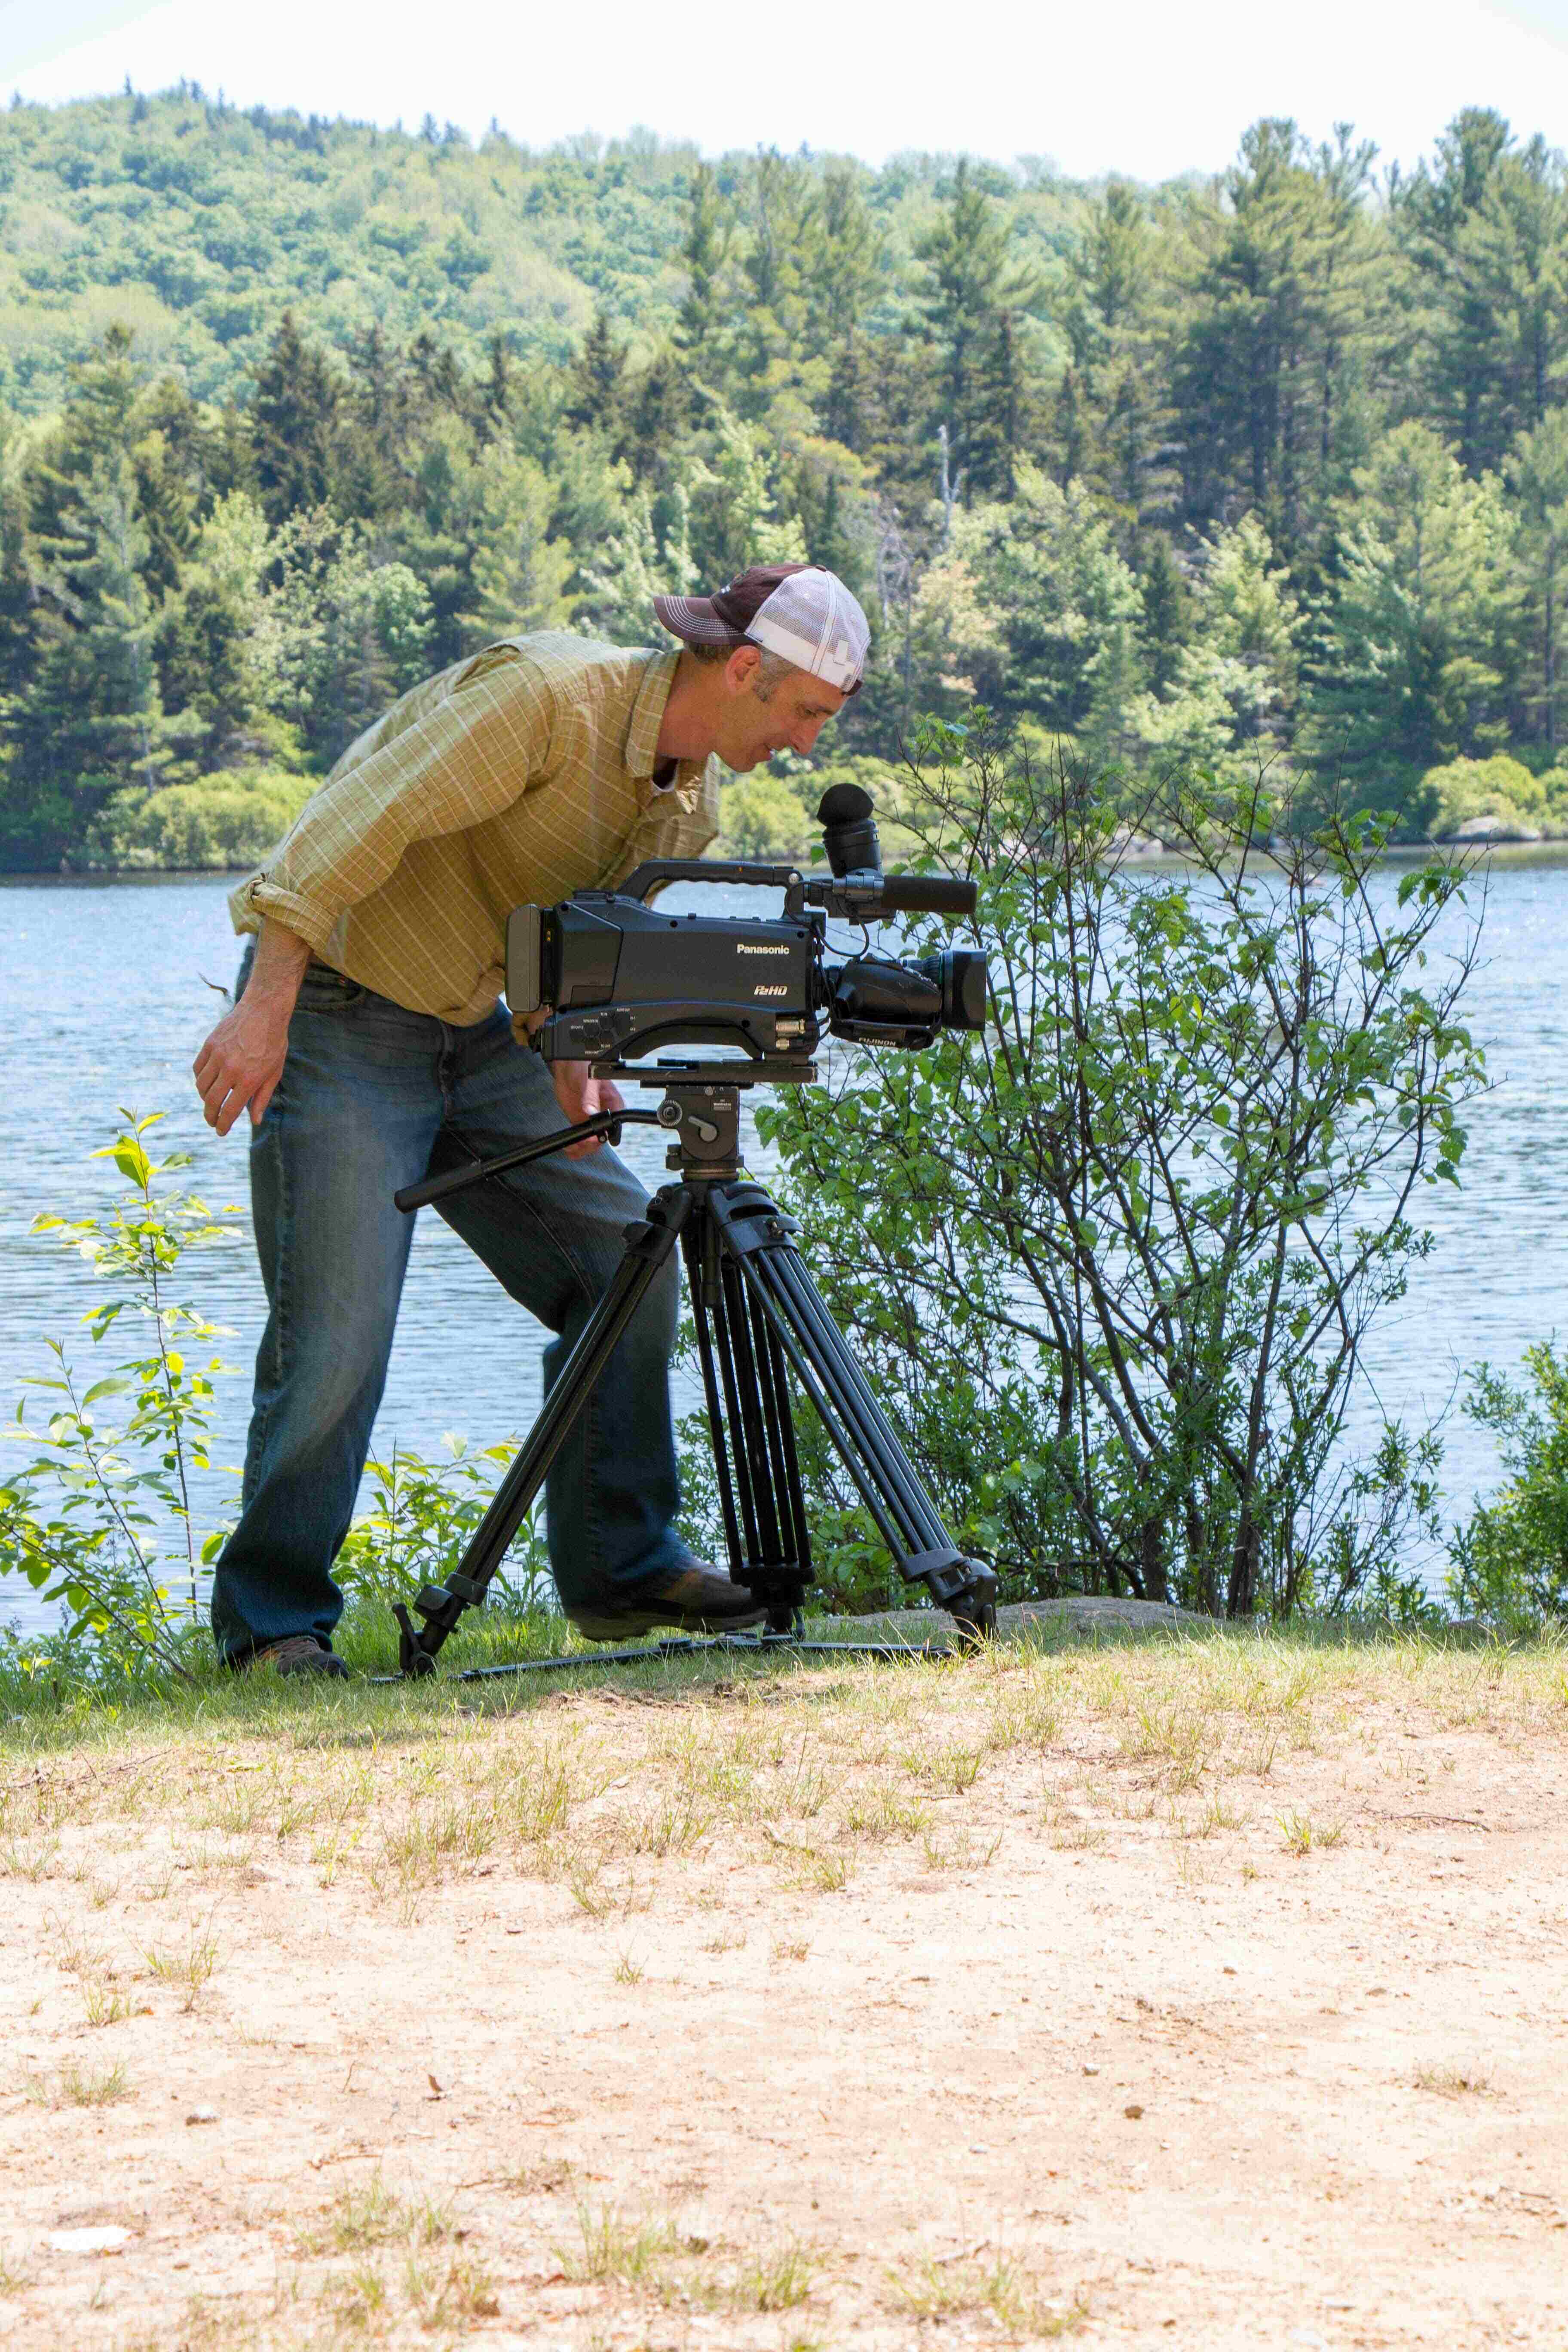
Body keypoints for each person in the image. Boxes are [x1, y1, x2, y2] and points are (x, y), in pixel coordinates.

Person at [192, 563, 871, 1676]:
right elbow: (351, 818)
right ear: (746, 670)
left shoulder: (687, 801)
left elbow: (562, 933)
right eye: (805, 714)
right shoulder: (547, 701)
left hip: (476, 1028)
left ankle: (620, 1568)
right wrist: (264, 1004)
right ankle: (273, 1624)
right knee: (340, 1327)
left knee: (628, 1257)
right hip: (338, 1010)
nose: (806, 746)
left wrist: (569, 1052)